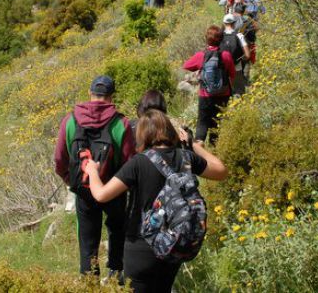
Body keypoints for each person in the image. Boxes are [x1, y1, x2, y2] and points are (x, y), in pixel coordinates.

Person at [84, 109, 228, 293]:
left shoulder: (138, 162)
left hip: (140, 248)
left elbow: (101, 194)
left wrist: (93, 172)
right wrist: (192, 145)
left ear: (142, 135)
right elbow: (221, 170)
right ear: (169, 131)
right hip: (173, 246)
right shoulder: (186, 157)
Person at [54, 75, 135, 278]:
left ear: (90, 94)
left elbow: (59, 159)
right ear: (111, 96)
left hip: (84, 189)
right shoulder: (121, 123)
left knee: (87, 238)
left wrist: (71, 180)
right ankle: (116, 275)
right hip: (113, 188)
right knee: (117, 229)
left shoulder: (70, 120)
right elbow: (129, 161)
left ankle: (90, 281)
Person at [183, 25, 235, 144]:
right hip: (223, 95)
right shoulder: (226, 55)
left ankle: (200, 152)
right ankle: (214, 152)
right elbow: (232, 75)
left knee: (202, 123)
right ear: (221, 39)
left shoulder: (201, 55)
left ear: (207, 39)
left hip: (205, 95)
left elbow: (186, 65)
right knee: (216, 124)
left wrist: (198, 72)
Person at [221, 14, 251, 96]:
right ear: (234, 23)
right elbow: (247, 55)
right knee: (239, 91)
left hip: (222, 68)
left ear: (224, 23)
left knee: (225, 91)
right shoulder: (239, 36)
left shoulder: (219, 36)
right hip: (236, 67)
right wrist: (240, 59)